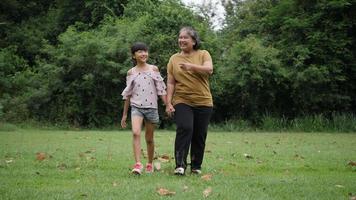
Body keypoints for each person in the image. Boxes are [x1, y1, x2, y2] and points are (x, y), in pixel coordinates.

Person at [166, 26, 213, 175]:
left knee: (199, 134)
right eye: (180, 37)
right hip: (182, 100)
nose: (181, 40)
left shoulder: (203, 54)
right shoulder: (174, 59)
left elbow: (209, 69)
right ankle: (180, 165)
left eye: (185, 37)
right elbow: (171, 82)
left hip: (204, 101)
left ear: (193, 41)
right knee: (185, 128)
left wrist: (190, 66)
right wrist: (168, 102)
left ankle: (196, 166)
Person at [121, 42, 167, 175]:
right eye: (140, 51)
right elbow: (128, 94)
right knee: (135, 132)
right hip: (136, 107)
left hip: (151, 108)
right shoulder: (131, 73)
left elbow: (161, 89)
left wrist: (168, 105)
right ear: (134, 55)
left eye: (145, 51)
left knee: (149, 138)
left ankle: (149, 163)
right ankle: (138, 164)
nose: (143, 54)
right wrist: (124, 114)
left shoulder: (154, 69)